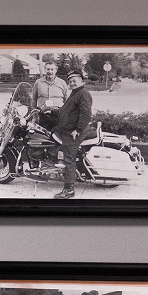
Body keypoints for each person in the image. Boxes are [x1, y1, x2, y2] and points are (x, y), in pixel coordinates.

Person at [53, 69, 92, 200]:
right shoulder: (75, 93)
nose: (72, 83)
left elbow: (86, 114)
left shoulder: (83, 94)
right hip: (67, 129)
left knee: (69, 159)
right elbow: (66, 111)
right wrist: (50, 112)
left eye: (74, 81)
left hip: (73, 132)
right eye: (70, 81)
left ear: (81, 81)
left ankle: (69, 190)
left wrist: (78, 130)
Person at [31, 61, 67, 131]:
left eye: (52, 69)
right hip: (43, 115)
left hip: (58, 116)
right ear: (45, 70)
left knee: (57, 138)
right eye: (48, 69)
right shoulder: (38, 83)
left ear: (56, 70)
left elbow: (67, 100)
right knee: (42, 138)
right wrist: (34, 116)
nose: (50, 71)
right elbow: (34, 99)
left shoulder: (62, 83)